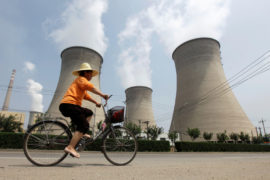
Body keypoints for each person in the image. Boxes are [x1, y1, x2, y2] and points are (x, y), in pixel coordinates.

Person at [59, 62, 109, 158]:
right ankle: (70, 147)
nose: (91, 76)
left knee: (89, 113)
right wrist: (103, 95)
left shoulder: (80, 83)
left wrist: (96, 103)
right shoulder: (81, 80)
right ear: (86, 73)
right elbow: (91, 87)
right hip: (70, 105)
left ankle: (82, 132)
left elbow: (86, 96)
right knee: (83, 125)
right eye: (90, 74)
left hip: (69, 105)